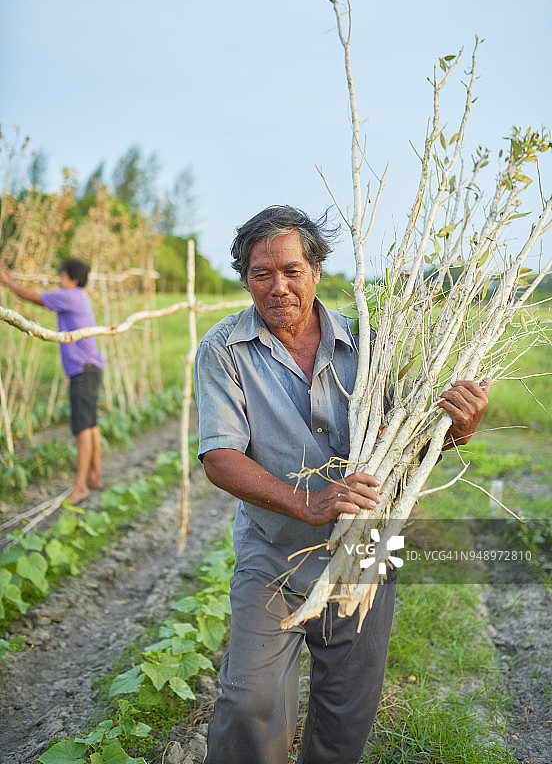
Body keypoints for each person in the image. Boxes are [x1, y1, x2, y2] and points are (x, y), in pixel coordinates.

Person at [194, 206, 490, 764]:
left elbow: (410, 441)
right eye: (261, 274)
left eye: (291, 270)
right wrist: (307, 503)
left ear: (317, 270)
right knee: (251, 701)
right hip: (274, 547)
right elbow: (219, 457)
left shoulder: (373, 343)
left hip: (367, 545)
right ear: (246, 279)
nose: (278, 287)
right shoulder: (223, 348)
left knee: (346, 711)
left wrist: (458, 429)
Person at [0, 259, 106, 504]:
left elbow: (33, 297)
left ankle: (80, 486)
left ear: (73, 280)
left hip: (83, 371)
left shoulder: (69, 296)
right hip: (91, 369)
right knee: (91, 425)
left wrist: (7, 282)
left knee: (82, 429)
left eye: (62, 276)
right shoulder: (80, 297)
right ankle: (95, 476)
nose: (59, 280)